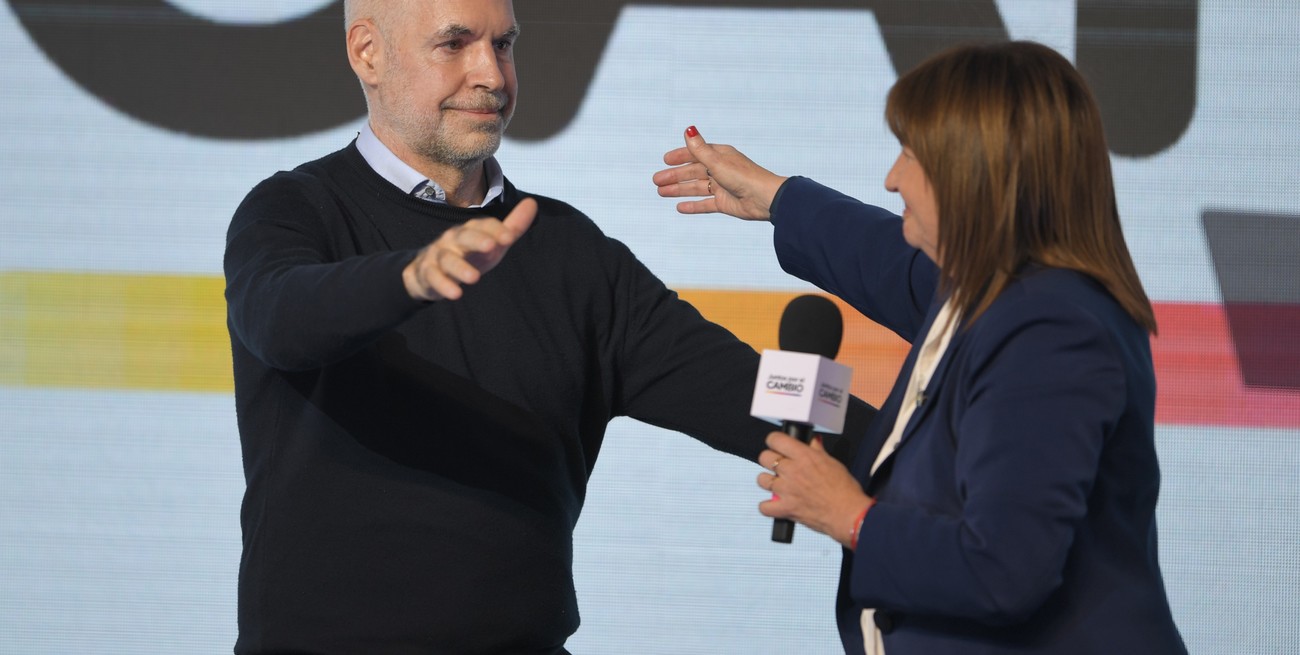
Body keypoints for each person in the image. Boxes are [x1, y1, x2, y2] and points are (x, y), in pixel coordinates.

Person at [223, 0, 869, 652]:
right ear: (368, 52)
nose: (493, 76)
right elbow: (280, 318)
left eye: (503, 45)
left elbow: (738, 385)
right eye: (455, 45)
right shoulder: (292, 211)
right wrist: (411, 277)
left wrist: (926, 427)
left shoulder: (567, 251)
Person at [653, 41, 1187, 654]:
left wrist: (848, 515)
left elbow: (1004, 571)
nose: (891, 178)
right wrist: (776, 198)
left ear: (977, 173)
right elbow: (888, 262)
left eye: (910, 154)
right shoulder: (998, 294)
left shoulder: (1052, 334)